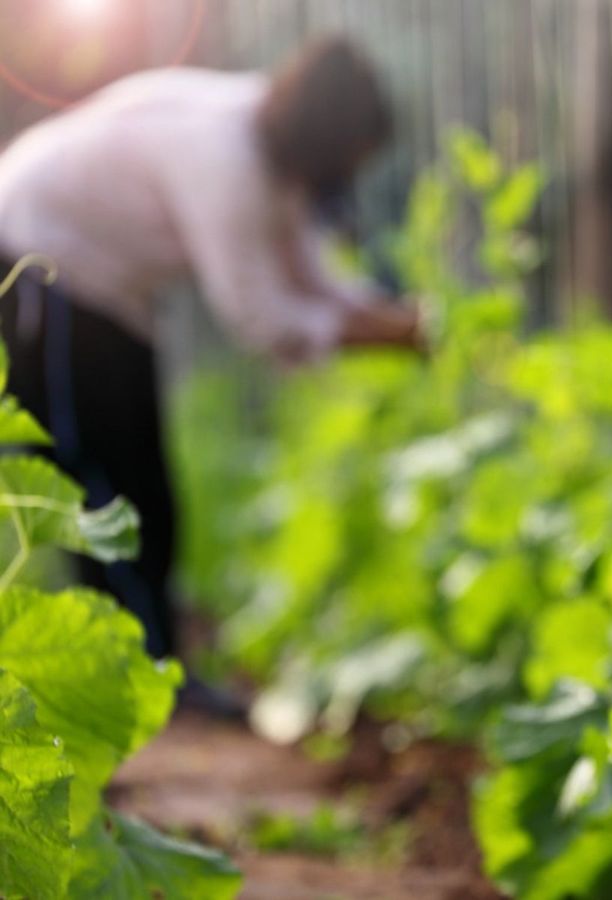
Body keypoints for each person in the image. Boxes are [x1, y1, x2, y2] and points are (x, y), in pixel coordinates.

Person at [0, 38, 422, 700]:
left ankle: (153, 669)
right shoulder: (224, 156)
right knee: (96, 486)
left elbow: (312, 279)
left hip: (107, 289)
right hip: (36, 259)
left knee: (145, 486)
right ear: (326, 141)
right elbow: (259, 314)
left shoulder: (267, 144)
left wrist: (393, 319)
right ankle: (126, 681)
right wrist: (391, 334)